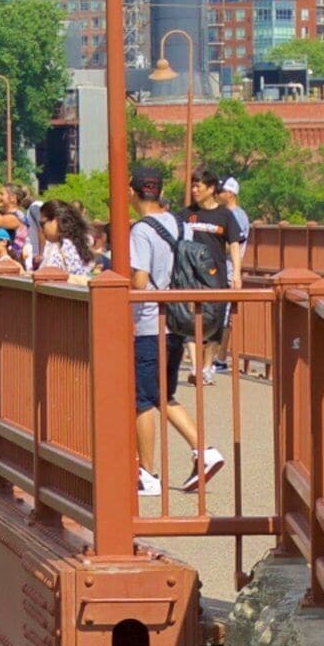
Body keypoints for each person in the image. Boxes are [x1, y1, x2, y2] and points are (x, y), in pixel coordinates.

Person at [124, 167, 217, 496]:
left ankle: (148, 474)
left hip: (150, 321)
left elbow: (139, 280)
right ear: (159, 191)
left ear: (133, 192)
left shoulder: (141, 230)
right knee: (163, 394)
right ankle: (203, 452)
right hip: (176, 319)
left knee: (143, 398)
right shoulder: (180, 224)